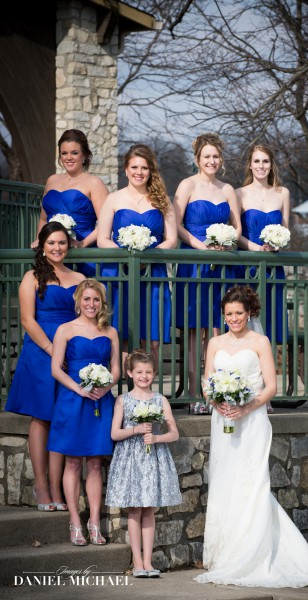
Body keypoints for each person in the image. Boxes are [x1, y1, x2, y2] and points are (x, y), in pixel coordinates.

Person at [195, 285, 308, 588]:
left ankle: (252, 553)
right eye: (229, 314)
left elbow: (270, 386)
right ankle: (224, 553)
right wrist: (218, 403)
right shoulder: (215, 343)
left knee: (251, 483)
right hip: (223, 420)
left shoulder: (260, 342)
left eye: (239, 313)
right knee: (224, 480)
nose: (234, 318)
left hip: (252, 420)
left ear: (249, 313)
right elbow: (207, 382)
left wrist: (246, 407)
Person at [5, 222, 85, 511]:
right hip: (41, 350)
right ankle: (41, 486)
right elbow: (28, 320)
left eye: (61, 242)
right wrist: (53, 351)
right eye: (51, 243)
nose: (57, 248)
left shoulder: (79, 277)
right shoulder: (31, 277)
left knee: (61, 416)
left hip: (71, 350)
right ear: (41, 246)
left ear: (69, 245)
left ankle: (56, 487)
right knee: (40, 418)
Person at [47, 279, 120, 545]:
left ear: (102, 303)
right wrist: (78, 389)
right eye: (87, 299)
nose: (91, 304)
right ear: (78, 301)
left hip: (100, 401)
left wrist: (106, 387)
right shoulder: (65, 330)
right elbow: (56, 369)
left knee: (95, 464)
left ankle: (94, 522)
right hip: (73, 399)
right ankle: (75, 522)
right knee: (73, 462)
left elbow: (116, 369)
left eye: (96, 299)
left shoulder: (110, 332)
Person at [173, 133, 241, 404]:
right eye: (207, 157)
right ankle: (193, 393)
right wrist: (201, 247)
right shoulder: (187, 185)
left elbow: (237, 228)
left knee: (217, 328)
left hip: (221, 265)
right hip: (193, 261)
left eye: (216, 156)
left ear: (221, 160)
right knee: (194, 328)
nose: (212, 161)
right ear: (197, 159)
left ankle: (215, 390)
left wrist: (227, 242)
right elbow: (176, 224)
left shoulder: (228, 190)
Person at [97, 144, 177, 365]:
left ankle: (149, 384)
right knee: (122, 333)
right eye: (134, 167)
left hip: (153, 273)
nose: (139, 172)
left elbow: (171, 240)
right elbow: (102, 239)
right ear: (126, 169)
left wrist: (149, 254)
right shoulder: (113, 199)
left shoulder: (162, 200)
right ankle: (124, 384)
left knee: (153, 337)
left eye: (144, 168)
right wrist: (128, 254)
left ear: (150, 171)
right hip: (119, 274)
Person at [105, 349, 182, 577]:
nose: (144, 376)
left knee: (149, 509)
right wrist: (136, 429)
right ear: (129, 373)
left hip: (152, 459)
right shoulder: (123, 400)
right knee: (135, 509)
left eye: (148, 372)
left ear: (154, 374)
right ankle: (137, 563)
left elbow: (174, 433)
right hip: (131, 460)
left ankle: (148, 562)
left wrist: (157, 438)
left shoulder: (160, 400)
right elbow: (114, 433)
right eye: (139, 372)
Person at [237, 144, 291, 413]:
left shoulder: (283, 193)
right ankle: (247, 390)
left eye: (265, 161)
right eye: (257, 161)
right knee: (248, 327)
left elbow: (286, 230)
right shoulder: (239, 193)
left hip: (273, 270)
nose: (261, 166)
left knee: (267, 330)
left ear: (271, 165)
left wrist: (277, 243)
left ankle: (265, 393)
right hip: (247, 268)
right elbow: (236, 233)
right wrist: (257, 248)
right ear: (250, 164)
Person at [32, 128, 109, 277]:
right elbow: (43, 219)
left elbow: (106, 223)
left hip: (83, 256)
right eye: (64, 153)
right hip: (53, 255)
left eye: (74, 153)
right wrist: (40, 240)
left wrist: (82, 243)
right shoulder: (51, 180)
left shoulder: (94, 183)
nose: (69, 158)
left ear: (84, 155)